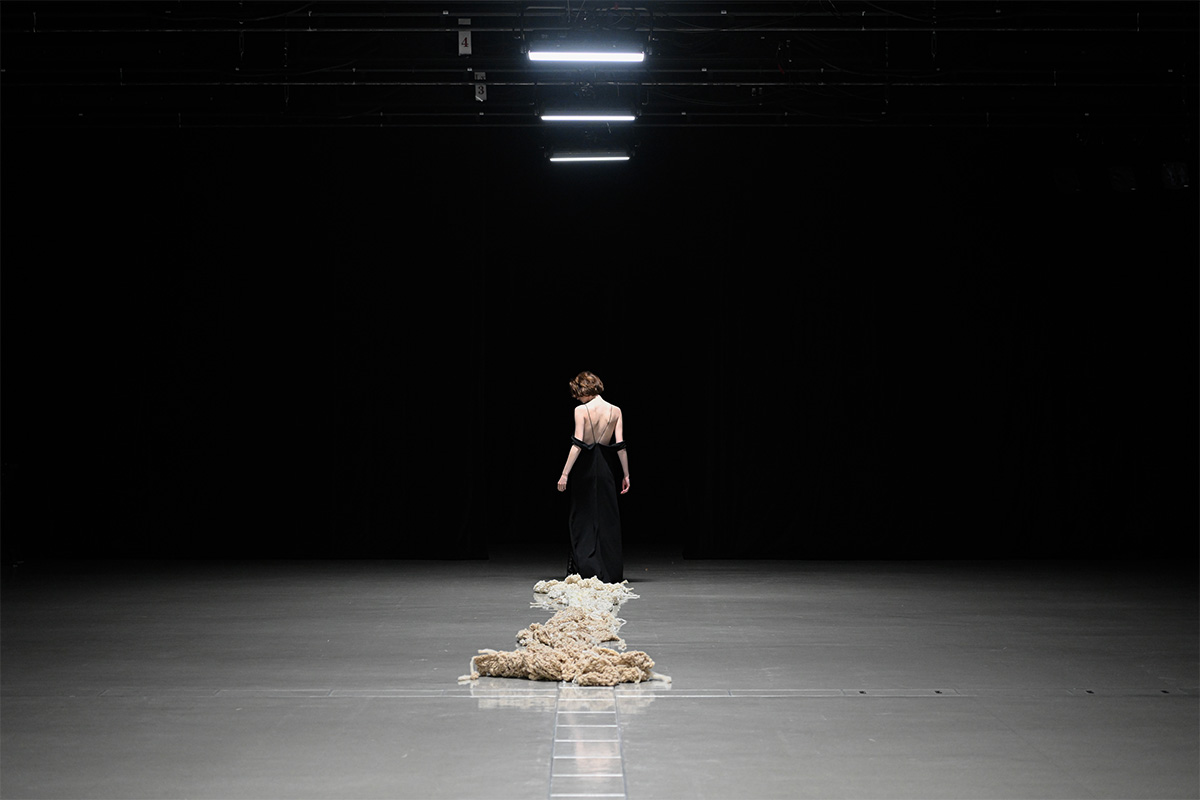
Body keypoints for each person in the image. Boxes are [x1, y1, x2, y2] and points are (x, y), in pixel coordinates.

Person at [557, 371, 629, 583]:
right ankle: (610, 570)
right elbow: (620, 445)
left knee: (582, 517)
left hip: (585, 468)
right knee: (607, 517)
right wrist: (626, 474)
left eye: (577, 394)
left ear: (584, 390)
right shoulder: (615, 410)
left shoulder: (581, 410)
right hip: (606, 467)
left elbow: (578, 444)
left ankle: (586, 568)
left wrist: (564, 474)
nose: (577, 398)